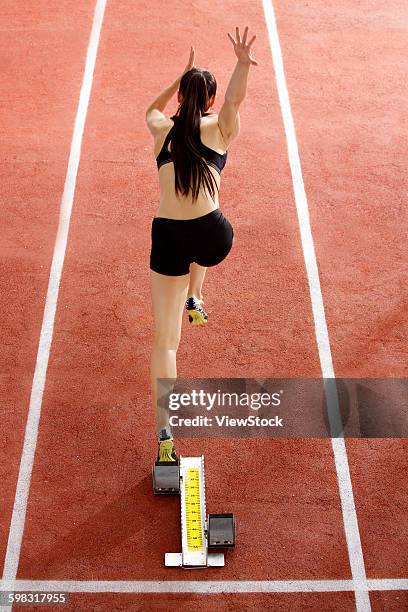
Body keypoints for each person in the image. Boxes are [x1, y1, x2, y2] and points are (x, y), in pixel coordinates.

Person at [145, 26, 258, 462]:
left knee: (165, 344)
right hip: (212, 238)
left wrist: (179, 75)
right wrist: (242, 64)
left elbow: (151, 108)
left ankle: (165, 433)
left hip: (168, 237)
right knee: (206, 242)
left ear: (181, 99)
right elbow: (234, 101)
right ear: (208, 101)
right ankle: (198, 294)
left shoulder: (160, 129)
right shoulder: (219, 129)